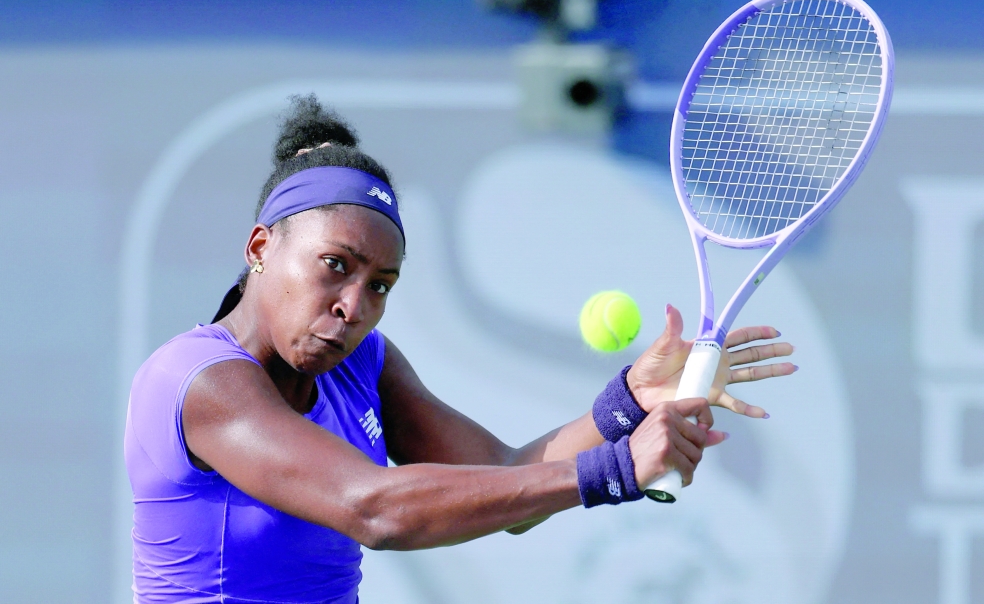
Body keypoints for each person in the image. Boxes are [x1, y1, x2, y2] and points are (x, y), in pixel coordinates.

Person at [125, 95, 795, 604]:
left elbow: (507, 481)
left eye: (380, 285)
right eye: (335, 264)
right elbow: (374, 507)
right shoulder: (197, 380)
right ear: (261, 249)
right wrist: (616, 469)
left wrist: (626, 406)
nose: (353, 305)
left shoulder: (364, 363)